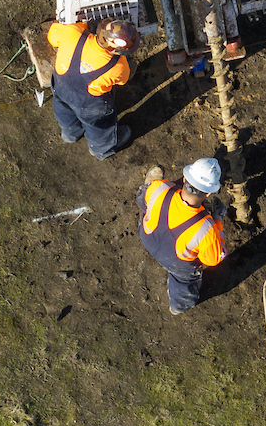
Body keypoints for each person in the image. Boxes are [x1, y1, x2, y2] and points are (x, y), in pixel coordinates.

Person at [137, 158, 228, 314]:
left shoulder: (161, 187)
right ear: (208, 194)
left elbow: (145, 198)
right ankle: (179, 306)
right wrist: (217, 220)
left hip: (147, 237)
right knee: (185, 281)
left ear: (184, 178)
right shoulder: (207, 229)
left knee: (145, 194)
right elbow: (213, 260)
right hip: (176, 264)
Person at [48, 17, 138, 160]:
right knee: (99, 126)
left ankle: (70, 134)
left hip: (60, 88)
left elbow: (52, 35)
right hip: (89, 105)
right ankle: (101, 149)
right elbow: (122, 81)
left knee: (64, 111)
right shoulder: (118, 66)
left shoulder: (73, 32)